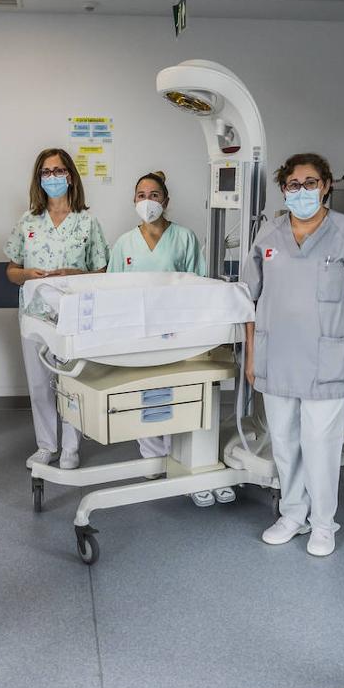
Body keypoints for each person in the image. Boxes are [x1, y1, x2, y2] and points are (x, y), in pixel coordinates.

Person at [242, 152, 344, 556]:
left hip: (327, 364)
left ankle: (323, 523)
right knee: (285, 442)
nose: (303, 191)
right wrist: (252, 357)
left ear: (326, 186)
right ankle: (292, 514)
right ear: (284, 189)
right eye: (294, 184)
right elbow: (248, 301)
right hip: (276, 359)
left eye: (311, 183)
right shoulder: (268, 236)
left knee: (321, 445)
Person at [106, 170, 221, 506]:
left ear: (166, 201)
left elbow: (198, 283)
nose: (147, 201)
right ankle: (152, 455)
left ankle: (179, 454)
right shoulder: (124, 243)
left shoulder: (184, 237)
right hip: (138, 331)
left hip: (177, 329)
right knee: (145, 390)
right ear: (133, 201)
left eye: (154, 195)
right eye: (141, 195)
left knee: (177, 388)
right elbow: (113, 289)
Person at [5, 148, 108, 470]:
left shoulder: (87, 222)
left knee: (71, 382)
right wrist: (26, 274)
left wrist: (75, 274)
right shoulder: (28, 221)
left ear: (70, 176)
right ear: (39, 179)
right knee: (39, 384)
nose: (53, 177)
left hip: (73, 317)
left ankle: (71, 447)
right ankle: (46, 444)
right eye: (46, 172)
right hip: (35, 316)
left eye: (58, 171)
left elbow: (102, 274)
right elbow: (11, 269)